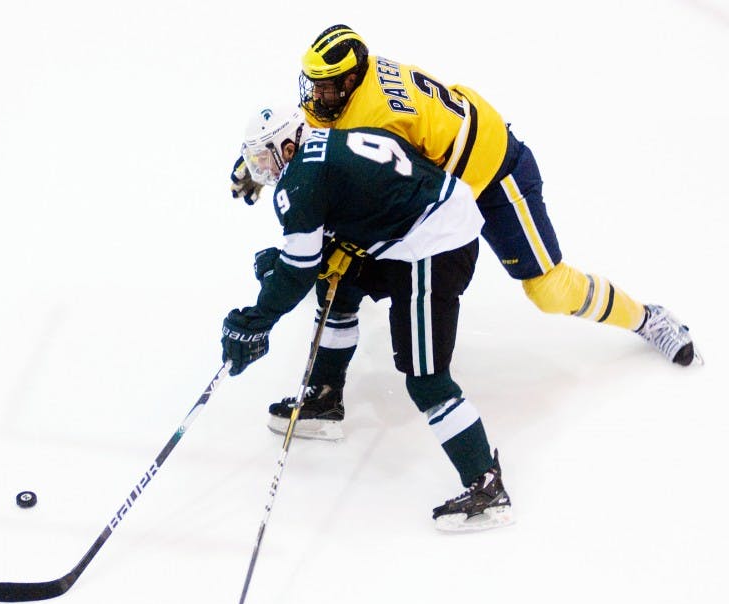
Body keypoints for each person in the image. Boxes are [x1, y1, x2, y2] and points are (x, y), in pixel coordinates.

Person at [230, 25, 700, 441]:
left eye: (325, 87)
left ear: (351, 80)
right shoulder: (356, 91)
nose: (314, 97)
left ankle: (646, 318)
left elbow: (379, 190)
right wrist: (262, 161)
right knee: (340, 271)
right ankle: (326, 395)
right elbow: (317, 138)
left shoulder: (374, 118)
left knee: (549, 290)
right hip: (445, 181)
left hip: (494, 175)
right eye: (312, 85)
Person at [221, 105, 512, 531]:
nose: (261, 170)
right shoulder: (322, 144)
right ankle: (325, 399)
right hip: (413, 223)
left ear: (287, 143)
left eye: (264, 159)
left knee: (426, 377)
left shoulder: (300, 182)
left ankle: (487, 486)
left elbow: (297, 267)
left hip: (435, 244)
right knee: (338, 284)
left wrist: (255, 321)